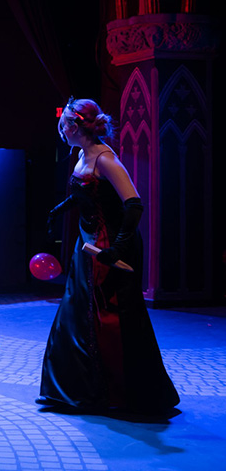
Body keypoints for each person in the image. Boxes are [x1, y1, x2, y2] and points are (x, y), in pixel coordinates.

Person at [39, 98, 179, 414]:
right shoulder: (80, 154)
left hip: (109, 244)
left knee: (108, 314)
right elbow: (86, 195)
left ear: (75, 127)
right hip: (86, 243)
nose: (61, 130)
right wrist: (60, 210)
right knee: (77, 312)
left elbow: (134, 204)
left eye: (64, 125)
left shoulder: (106, 160)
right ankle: (77, 389)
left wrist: (116, 248)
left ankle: (118, 393)